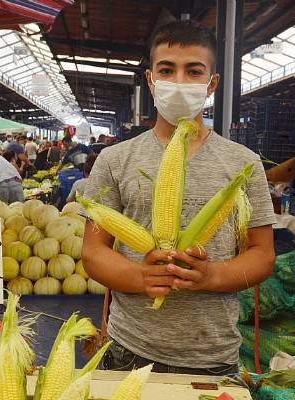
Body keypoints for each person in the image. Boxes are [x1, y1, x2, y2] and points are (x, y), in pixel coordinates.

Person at [82, 20, 275, 375]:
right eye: (167, 70)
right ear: (151, 80)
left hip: (213, 356)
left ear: (212, 84)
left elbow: (262, 254)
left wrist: (211, 276)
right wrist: (140, 277)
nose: (180, 81)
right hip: (131, 349)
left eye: (194, 71)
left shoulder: (243, 164)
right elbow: (93, 252)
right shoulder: (115, 160)